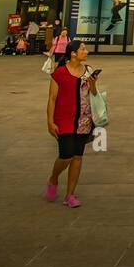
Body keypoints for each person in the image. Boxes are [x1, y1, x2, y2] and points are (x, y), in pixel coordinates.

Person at [44, 39, 99, 207]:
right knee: (66, 155)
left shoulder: (88, 71)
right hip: (64, 119)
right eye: (83, 49)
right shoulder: (60, 72)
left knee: (77, 157)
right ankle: (54, 178)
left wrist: (93, 84)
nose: (86, 51)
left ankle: (70, 195)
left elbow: (94, 94)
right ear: (73, 53)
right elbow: (52, 99)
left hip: (83, 119)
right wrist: (50, 121)